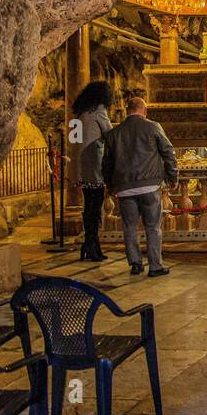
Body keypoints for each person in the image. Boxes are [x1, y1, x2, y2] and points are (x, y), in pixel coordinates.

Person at [101, 96, 177, 277]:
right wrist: (172, 177)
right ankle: (155, 266)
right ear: (144, 110)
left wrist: (111, 186)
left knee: (129, 227)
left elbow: (106, 164)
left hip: (125, 188)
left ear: (127, 110)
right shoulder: (153, 127)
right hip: (150, 186)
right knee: (153, 227)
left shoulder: (114, 133)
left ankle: (135, 264)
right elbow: (168, 152)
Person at [72, 80, 114, 262]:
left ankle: (90, 244)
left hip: (82, 166)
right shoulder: (99, 111)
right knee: (95, 208)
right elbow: (110, 134)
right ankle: (91, 245)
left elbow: (73, 141)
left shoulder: (79, 113)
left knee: (88, 207)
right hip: (95, 165)